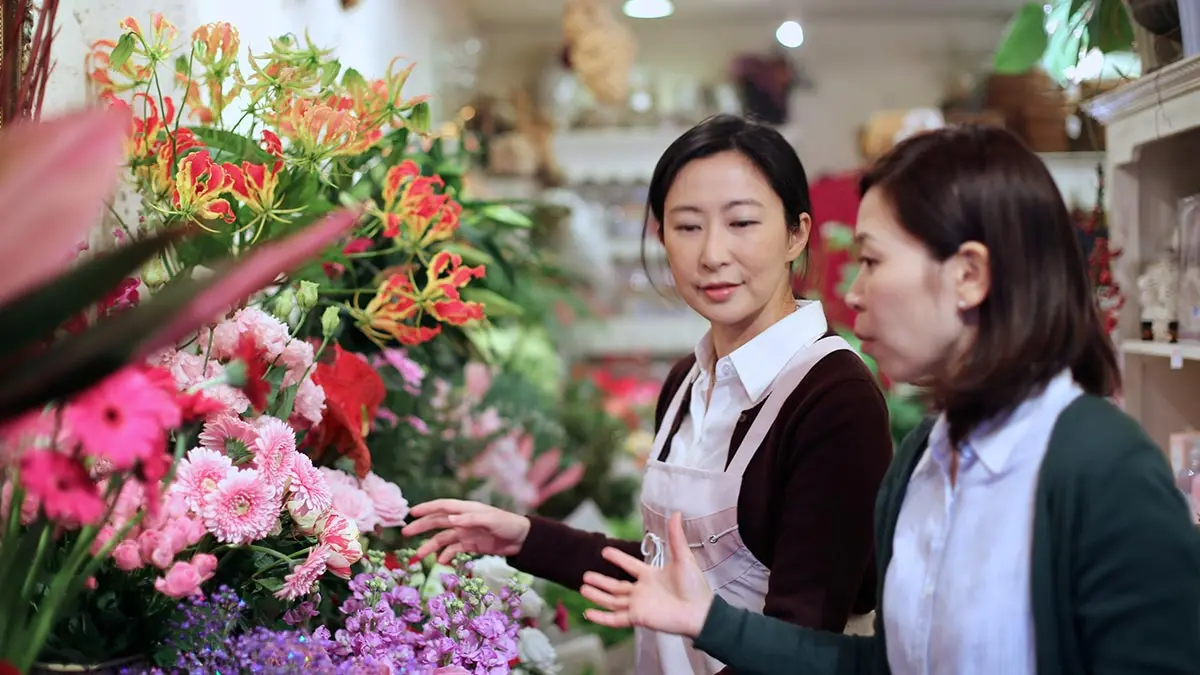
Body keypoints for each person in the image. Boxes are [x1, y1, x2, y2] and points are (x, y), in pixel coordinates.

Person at [575, 124, 1200, 675]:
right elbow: (884, 663)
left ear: (970, 275)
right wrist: (709, 621)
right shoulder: (926, 457)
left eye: (871, 260)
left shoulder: (1100, 466)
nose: (854, 289)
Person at [402, 114, 894, 674]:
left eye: (741, 223)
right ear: (660, 235)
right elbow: (673, 576)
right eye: (687, 227)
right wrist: (522, 538)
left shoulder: (834, 397)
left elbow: (799, 639)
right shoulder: (689, 379)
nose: (712, 254)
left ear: (796, 233)